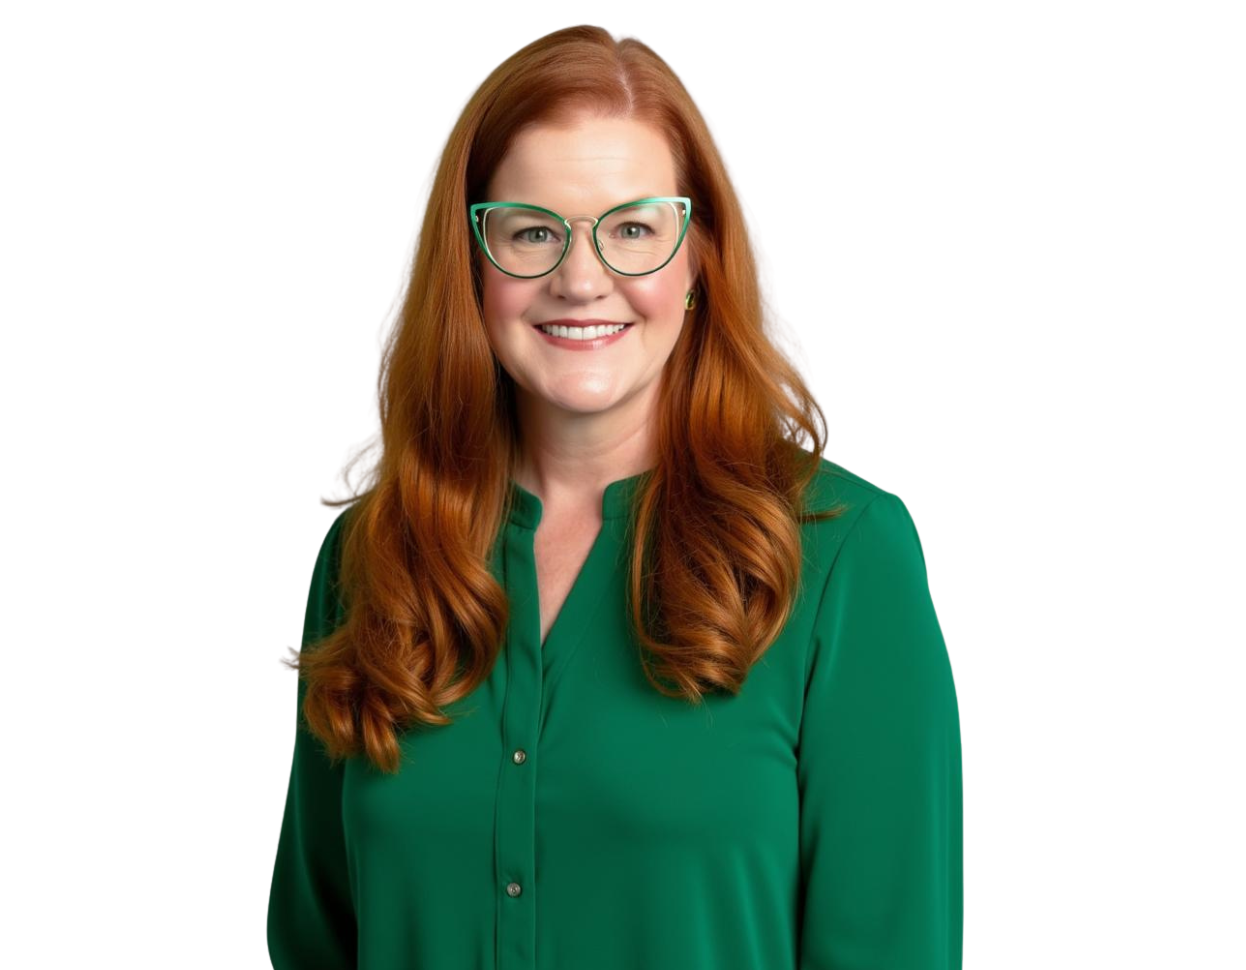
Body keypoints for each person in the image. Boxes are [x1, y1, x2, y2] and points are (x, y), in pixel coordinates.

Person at [268, 24, 963, 970]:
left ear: (698, 261)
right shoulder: (369, 557)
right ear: (471, 265)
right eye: (532, 230)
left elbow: (893, 948)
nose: (581, 277)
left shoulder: (845, 557)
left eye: (633, 228)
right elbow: (311, 940)